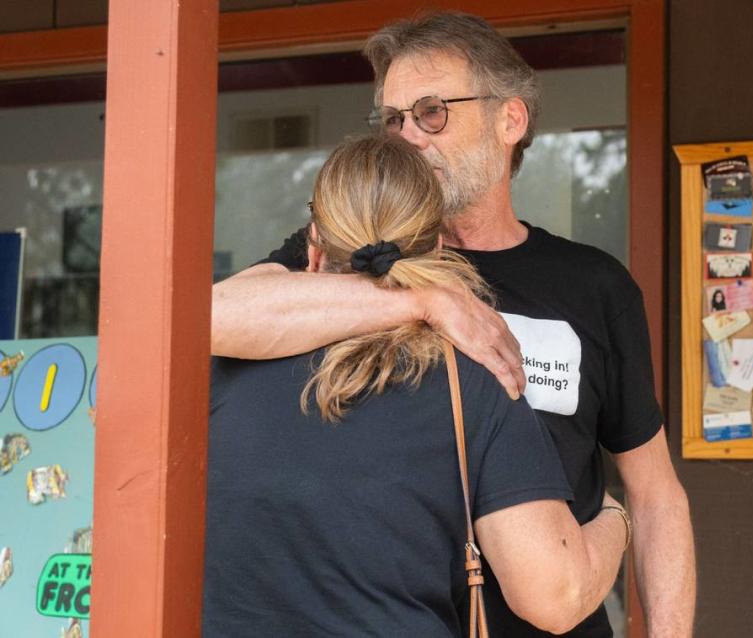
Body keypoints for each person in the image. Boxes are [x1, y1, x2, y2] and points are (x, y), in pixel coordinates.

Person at [211, 12, 695, 637]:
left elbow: (656, 495)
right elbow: (209, 320)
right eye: (393, 119)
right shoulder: (347, 254)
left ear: (510, 120)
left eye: (432, 111)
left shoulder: (594, 286)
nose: (408, 136)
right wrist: (423, 303)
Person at [203, 135, 630, 637]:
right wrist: (617, 519)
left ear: (313, 250)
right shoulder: (468, 381)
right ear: (438, 247)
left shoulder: (220, 366)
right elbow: (555, 596)